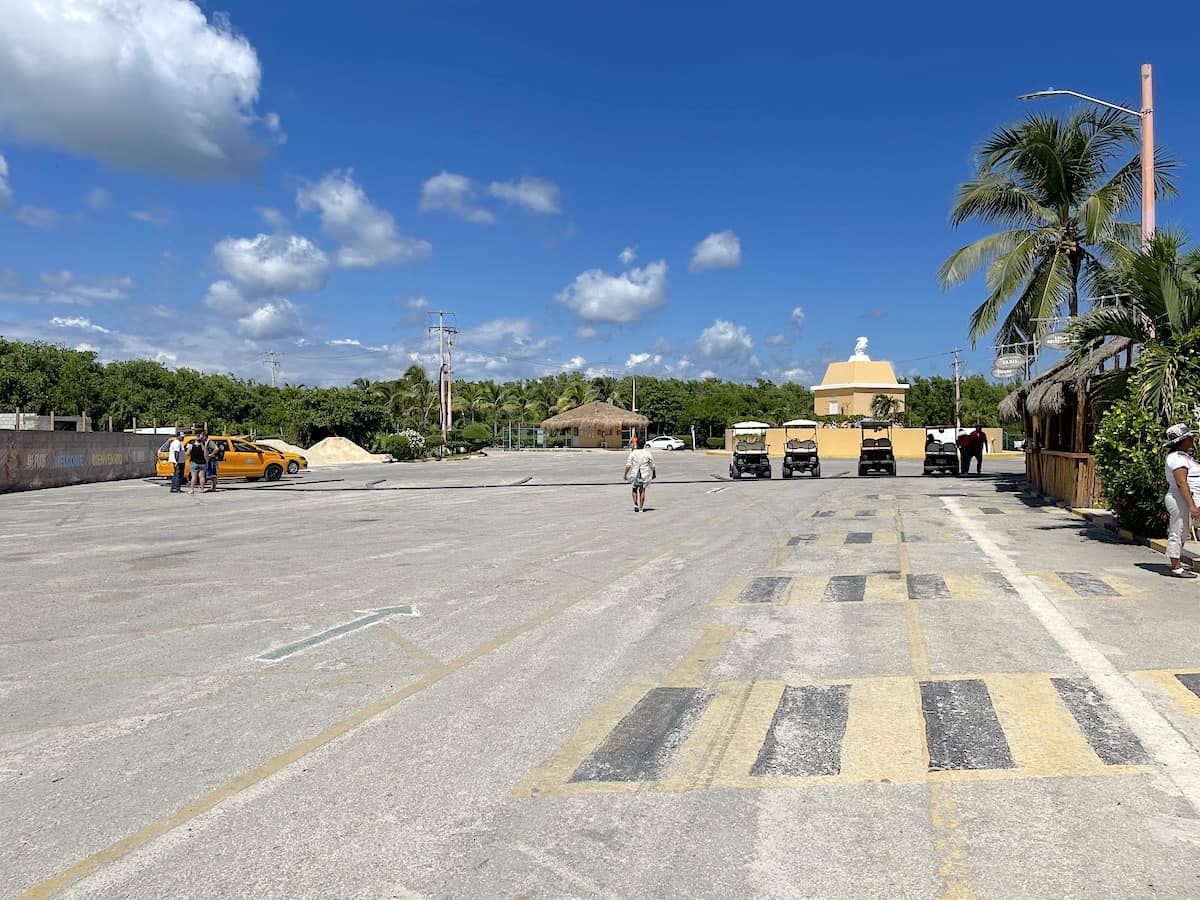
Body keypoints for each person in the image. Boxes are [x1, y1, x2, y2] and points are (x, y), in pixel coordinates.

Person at [1164, 423, 1200, 578]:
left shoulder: (1184, 456)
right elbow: (1181, 483)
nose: (1192, 439)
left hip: (1189, 498)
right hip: (1181, 499)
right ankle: (1176, 567)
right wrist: (1192, 505)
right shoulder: (1177, 458)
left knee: (1183, 530)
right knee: (1179, 530)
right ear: (1182, 440)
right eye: (1189, 437)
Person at [623, 436, 656, 512]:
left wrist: (625, 474)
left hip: (635, 473)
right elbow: (652, 465)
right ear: (644, 444)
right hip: (644, 473)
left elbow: (628, 465)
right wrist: (654, 473)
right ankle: (641, 507)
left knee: (634, 489)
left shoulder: (633, 453)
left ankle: (635, 504)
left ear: (637, 444)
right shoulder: (648, 453)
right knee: (642, 490)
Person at [187, 430, 211, 495]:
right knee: (202, 477)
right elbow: (206, 455)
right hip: (202, 463)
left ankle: (192, 490)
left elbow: (188, 453)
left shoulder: (191, 445)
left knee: (194, 477)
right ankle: (202, 489)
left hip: (194, 462)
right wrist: (207, 462)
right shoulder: (203, 446)